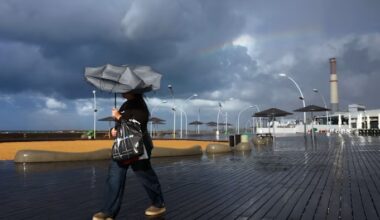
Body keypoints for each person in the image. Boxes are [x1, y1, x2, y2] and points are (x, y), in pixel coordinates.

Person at [93, 91, 165, 220]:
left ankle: (158, 203)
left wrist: (119, 116)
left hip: (139, 147)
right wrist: (113, 130)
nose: (122, 92)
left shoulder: (141, 107)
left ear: (134, 91)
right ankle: (108, 211)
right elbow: (120, 126)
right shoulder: (125, 105)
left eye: (125, 90)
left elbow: (136, 126)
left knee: (146, 176)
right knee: (114, 178)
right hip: (122, 147)